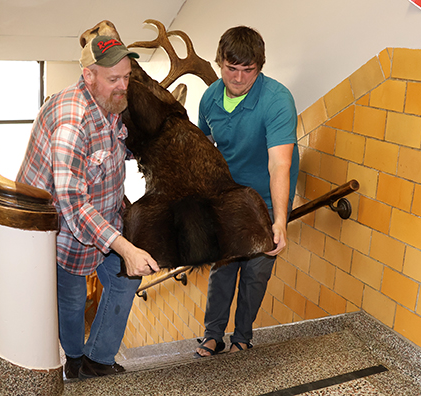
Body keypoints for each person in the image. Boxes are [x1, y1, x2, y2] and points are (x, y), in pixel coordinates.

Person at [17, 35, 160, 380]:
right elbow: (73, 204)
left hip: (106, 214)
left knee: (125, 282)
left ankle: (98, 359)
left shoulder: (111, 102)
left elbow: (115, 148)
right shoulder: (72, 123)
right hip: (63, 229)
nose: (123, 86)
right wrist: (126, 248)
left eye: (126, 77)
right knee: (73, 299)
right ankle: (75, 361)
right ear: (89, 75)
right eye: (114, 79)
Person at [195, 26, 299, 357]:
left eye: (248, 70)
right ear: (219, 63)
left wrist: (279, 220)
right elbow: (203, 148)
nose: (238, 78)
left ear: (260, 66)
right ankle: (213, 335)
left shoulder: (277, 100)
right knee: (223, 267)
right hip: (228, 199)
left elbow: (279, 165)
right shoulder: (210, 98)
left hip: (266, 200)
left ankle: (242, 337)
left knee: (255, 272)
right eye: (231, 69)